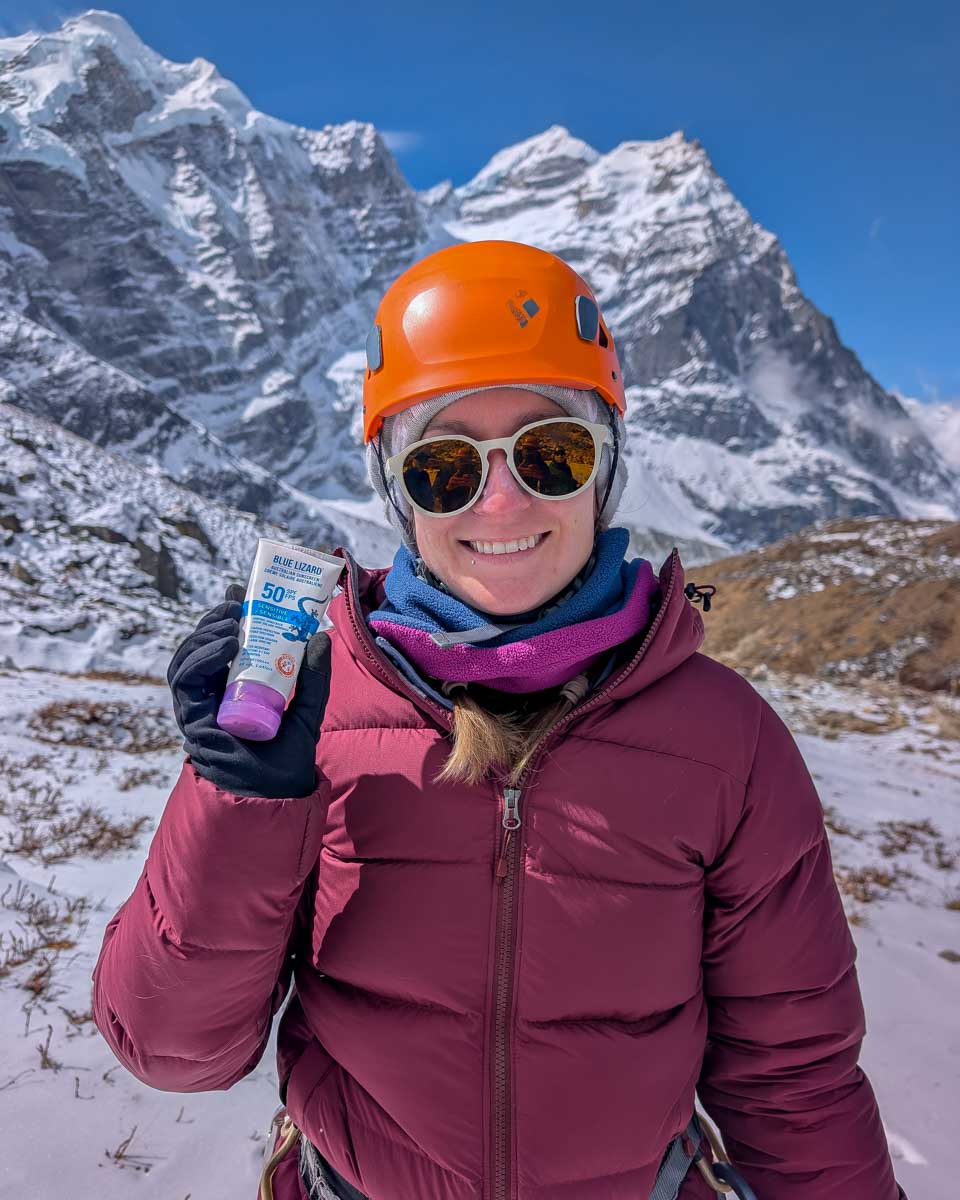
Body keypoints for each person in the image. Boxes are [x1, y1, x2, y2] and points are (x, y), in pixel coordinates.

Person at [92, 240, 908, 1200]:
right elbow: (174, 1052)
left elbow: (794, 1081)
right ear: (400, 491)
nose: (505, 499)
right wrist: (240, 799)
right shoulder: (317, 716)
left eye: (549, 453)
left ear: (604, 469)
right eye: (446, 469)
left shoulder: (728, 743)